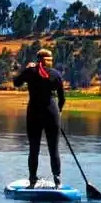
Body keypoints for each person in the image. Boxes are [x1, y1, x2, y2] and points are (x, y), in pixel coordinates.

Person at [13, 48, 65, 188]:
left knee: (34, 149)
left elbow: (16, 82)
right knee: (53, 149)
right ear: (50, 60)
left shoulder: (30, 72)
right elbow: (62, 99)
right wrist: (58, 112)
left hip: (34, 114)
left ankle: (32, 181)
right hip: (51, 113)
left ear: (38, 59)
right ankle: (57, 181)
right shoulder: (56, 74)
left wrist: (24, 69)